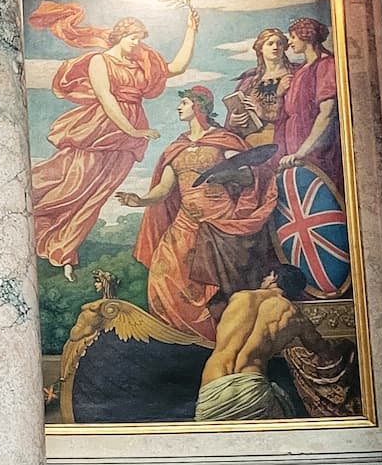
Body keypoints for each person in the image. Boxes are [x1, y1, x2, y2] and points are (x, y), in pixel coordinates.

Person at [27, 0, 200, 275]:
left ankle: (64, 248)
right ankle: (32, 218)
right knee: (73, 185)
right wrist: (133, 129)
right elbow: (106, 99)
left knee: (98, 193)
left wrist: (191, 30)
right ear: (121, 36)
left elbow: (176, 67)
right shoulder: (99, 61)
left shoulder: (139, 65)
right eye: (134, 38)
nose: (138, 44)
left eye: (140, 38)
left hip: (127, 139)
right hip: (101, 129)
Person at [118, 87, 277, 342]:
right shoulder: (176, 148)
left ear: (199, 106)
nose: (179, 107)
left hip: (218, 223)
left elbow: (248, 175)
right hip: (184, 224)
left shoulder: (223, 140)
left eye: (184, 102)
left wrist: (225, 174)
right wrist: (140, 200)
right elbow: (163, 189)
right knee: (163, 275)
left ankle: (217, 340)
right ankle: (180, 339)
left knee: (216, 287)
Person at [195, 265, 337, 420]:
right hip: (251, 388)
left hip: (212, 386)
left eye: (266, 276)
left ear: (274, 277)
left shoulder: (240, 297)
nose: (263, 279)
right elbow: (320, 348)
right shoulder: (295, 317)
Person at [275, 17, 342, 192]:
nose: (289, 42)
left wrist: (302, 151)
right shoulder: (299, 71)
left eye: (293, 37)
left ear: (306, 37)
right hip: (294, 149)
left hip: (316, 151)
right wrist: (280, 93)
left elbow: (327, 113)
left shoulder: (326, 65)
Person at [222, 28, 291, 144]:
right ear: (260, 49)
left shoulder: (293, 75)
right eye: (270, 44)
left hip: (283, 137)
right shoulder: (249, 82)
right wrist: (233, 122)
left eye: (279, 44)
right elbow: (233, 118)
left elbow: (300, 114)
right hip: (251, 140)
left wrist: (262, 113)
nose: (275, 47)